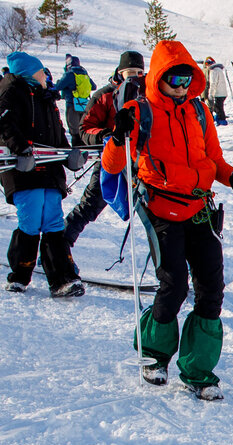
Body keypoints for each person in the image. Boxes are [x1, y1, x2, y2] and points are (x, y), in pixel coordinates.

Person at [102, 40, 233, 401]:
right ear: (159, 78)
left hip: (200, 209)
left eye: (187, 78)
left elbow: (213, 158)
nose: (182, 87)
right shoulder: (139, 112)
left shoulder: (199, 111)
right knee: (175, 286)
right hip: (161, 209)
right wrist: (118, 135)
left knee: (212, 289)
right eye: (174, 79)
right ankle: (153, 354)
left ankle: (198, 370)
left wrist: (229, 176)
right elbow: (112, 166)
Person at [0, 52, 85, 297]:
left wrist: (69, 155)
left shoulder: (46, 97)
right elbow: (5, 125)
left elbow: (58, 131)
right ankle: (19, 275)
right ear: (28, 74)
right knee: (31, 219)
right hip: (23, 170)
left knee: (53, 221)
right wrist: (21, 149)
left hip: (49, 168)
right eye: (40, 72)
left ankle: (63, 279)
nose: (45, 75)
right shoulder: (11, 93)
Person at [62, 51, 145, 248]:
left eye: (139, 72)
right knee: (90, 206)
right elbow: (84, 128)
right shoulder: (105, 95)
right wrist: (106, 135)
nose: (135, 76)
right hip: (111, 158)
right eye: (130, 71)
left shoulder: (147, 95)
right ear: (120, 72)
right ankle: (58, 249)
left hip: (142, 161)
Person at [54, 55, 96, 146]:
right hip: (84, 104)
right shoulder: (84, 74)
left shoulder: (70, 74)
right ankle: (85, 149)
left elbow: (58, 86)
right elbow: (93, 86)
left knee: (74, 131)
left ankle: (76, 152)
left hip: (72, 104)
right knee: (83, 128)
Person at [202, 57, 231, 125]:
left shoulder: (213, 71)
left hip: (218, 93)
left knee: (218, 108)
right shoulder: (219, 70)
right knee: (219, 107)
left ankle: (222, 121)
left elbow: (213, 83)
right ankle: (219, 118)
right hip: (223, 92)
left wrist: (210, 94)